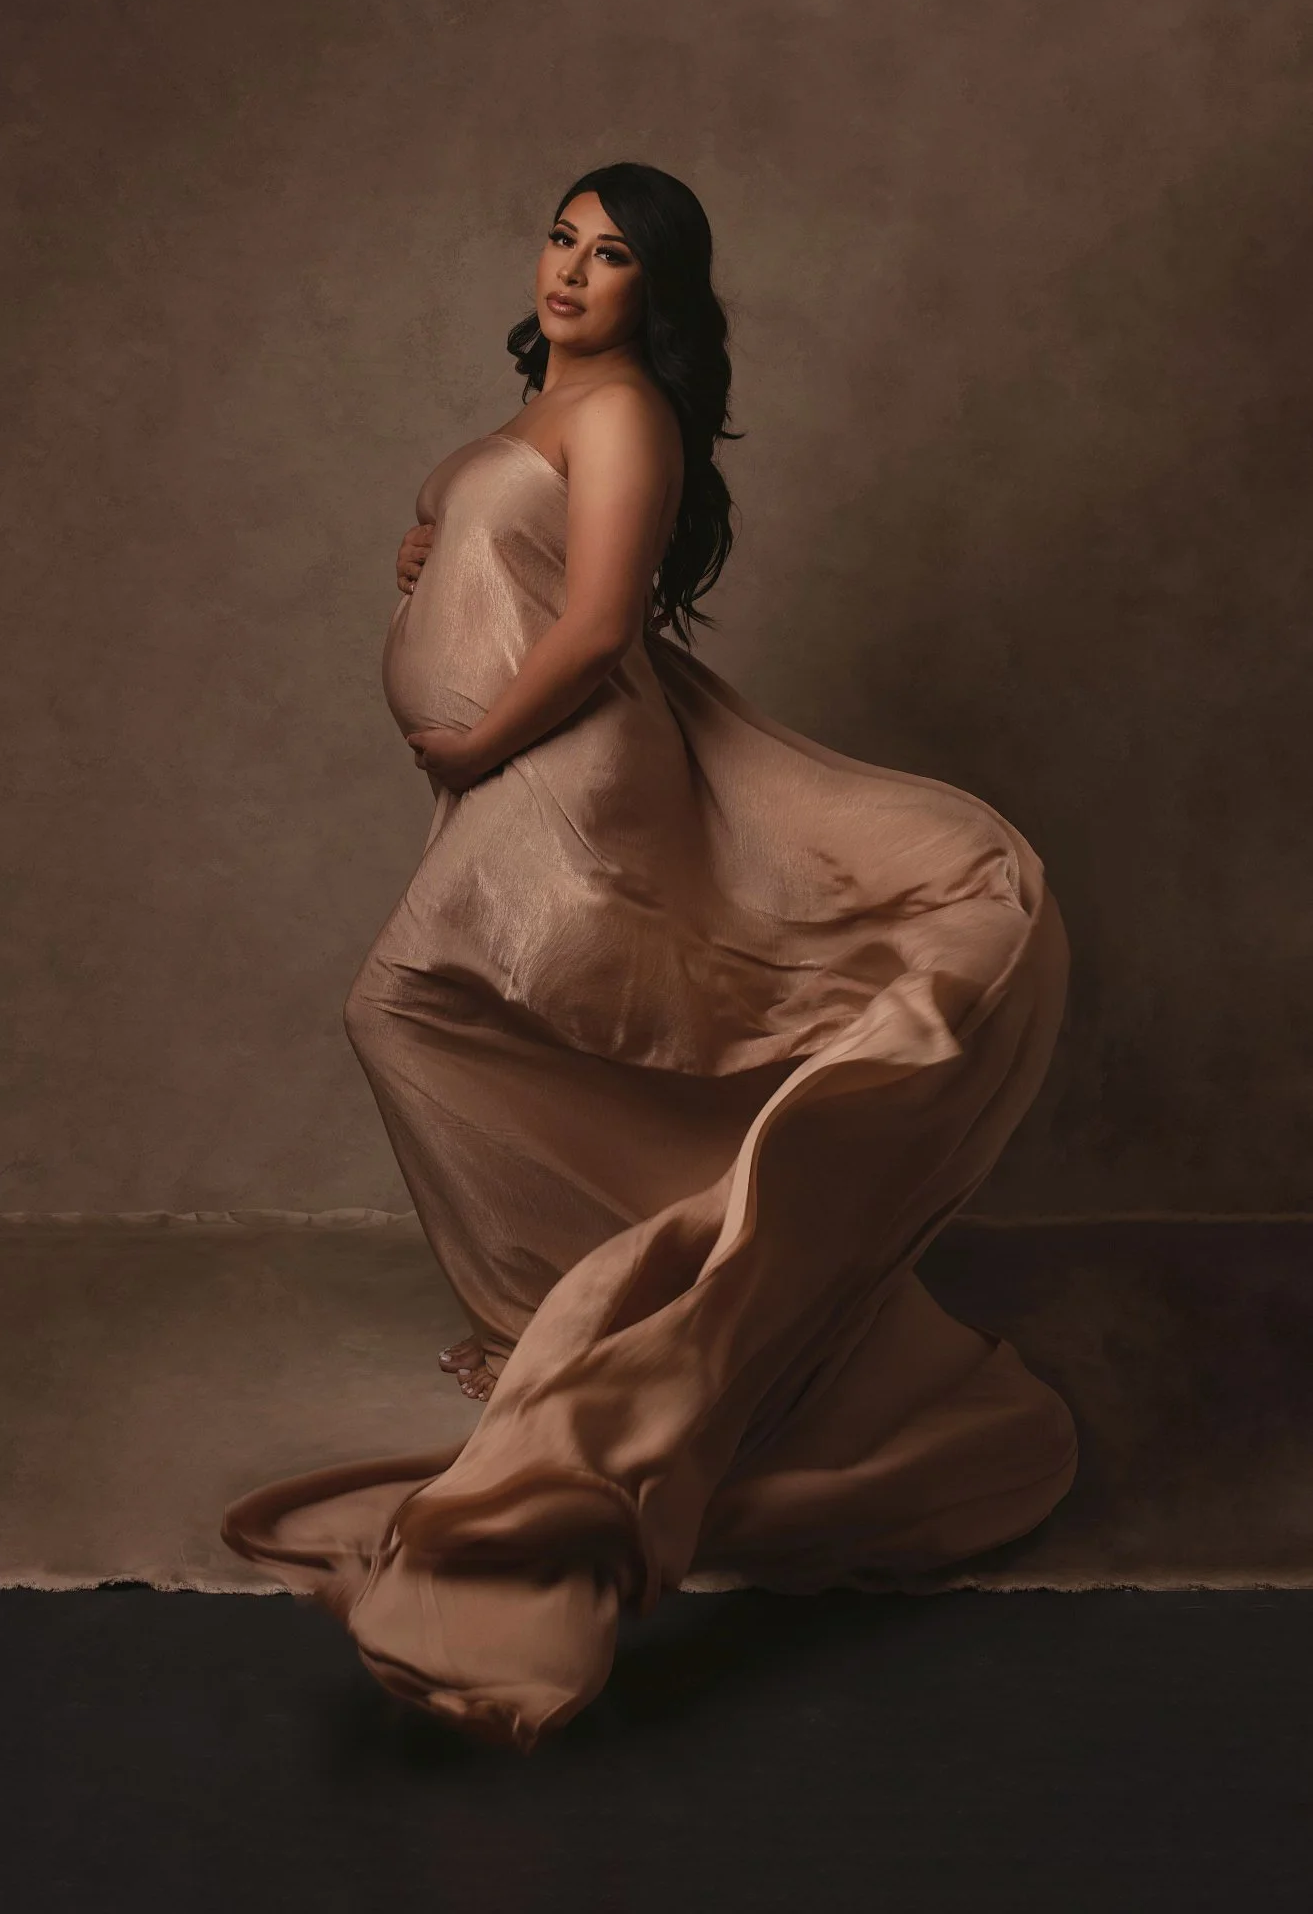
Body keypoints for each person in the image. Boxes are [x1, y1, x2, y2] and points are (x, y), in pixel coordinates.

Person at [222, 161, 1078, 1752]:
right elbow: (499, 552)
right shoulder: (548, 409)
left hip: (573, 768)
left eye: (611, 256)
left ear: (655, 296)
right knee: (488, 1031)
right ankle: (590, 1300)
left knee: (407, 1007)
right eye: (561, 235)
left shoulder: (622, 416)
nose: (571, 269)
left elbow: (602, 621)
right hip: (521, 759)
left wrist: (473, 732)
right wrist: (433, 551)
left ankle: (558, 1319)